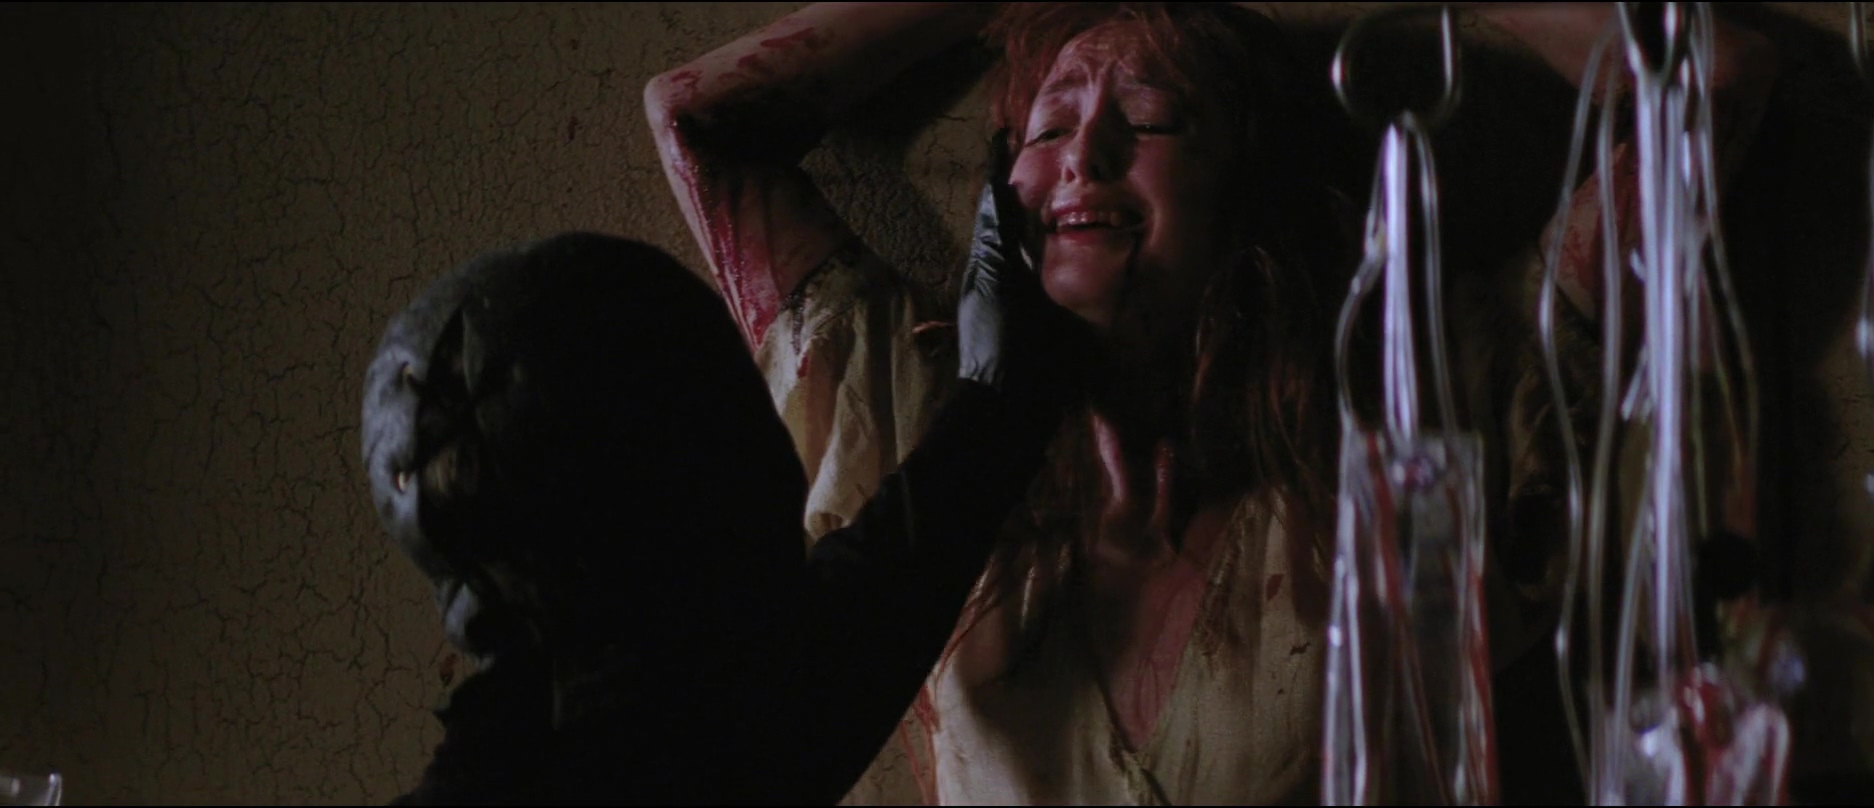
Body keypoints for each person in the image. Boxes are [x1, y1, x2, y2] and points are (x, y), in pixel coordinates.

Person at [645, 3, 1778, 804]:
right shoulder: (925, 425)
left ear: (1250, 189)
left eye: (1148, 120)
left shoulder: (1413, 435)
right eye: (1047, 127)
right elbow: (698, 120)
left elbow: (1710, 82)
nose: (1083, 155)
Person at [361, 209, 1083, 800]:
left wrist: (997, 410)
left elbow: (817, 663)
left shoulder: (625, 741)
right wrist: (997, 405)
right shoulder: (686, 742)